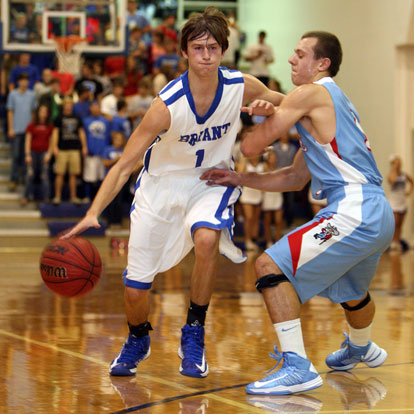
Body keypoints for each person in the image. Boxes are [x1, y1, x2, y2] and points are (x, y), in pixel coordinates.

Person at [62, 7, 283, 379]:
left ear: (224, 50)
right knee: (135, 290)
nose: (206, 55)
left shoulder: (241, 85)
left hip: (209, 180)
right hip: (160, 186)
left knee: (207, 240)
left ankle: (194, 332)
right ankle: (137, 338)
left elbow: (289, 103)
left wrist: (270, 108)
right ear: (184, 52)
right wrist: (93, 211)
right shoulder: (164, 107)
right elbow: (124, 164)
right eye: (198, 48)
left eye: (213, 47)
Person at [201, 31, 394, 395]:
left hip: (354, 209)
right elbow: (294, 177)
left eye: (299, 53)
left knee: (269, 266)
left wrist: (266, 119)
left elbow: (252, 145)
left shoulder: (311, 93)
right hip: (376, 211)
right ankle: (361, 346)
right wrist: (241, 177)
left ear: (321, 64)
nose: (291, 59)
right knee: (352, 291)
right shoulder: (331, 103)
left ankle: (296, 367)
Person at [51, 97, 87, 204]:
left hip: (74, 148)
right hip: (62, 148)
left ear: (72, 105)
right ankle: (57, 196)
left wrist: (84, 146)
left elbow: (81, 132)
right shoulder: (59, 117)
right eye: (66, 104)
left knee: (73, 174)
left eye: (70, 104)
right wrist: (54, 147)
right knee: (59, 173)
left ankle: (73, 196)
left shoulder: (77, 117)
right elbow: (55, 133)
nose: (68, 106)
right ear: (63, 105)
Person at [7, 72, 37, 192]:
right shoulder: (13, 94)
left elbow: (33, 112)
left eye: (26, 80)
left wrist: (33, 128)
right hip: (17, 129)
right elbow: (10, 111)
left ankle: (25, 179)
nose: (24, 82)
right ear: (18, 82)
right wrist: (10, 128)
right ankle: (13, 179)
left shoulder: (32, 95)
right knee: (15, 155)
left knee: (27, 156)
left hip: (28, 131)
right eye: (22, 80)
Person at [21, 104, 53, 205]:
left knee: (44, 175)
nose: (43, 113)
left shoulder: (49, 126)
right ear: (38, 113)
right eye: (41, 111)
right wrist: (27, 154)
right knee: (30, 175)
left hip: (44, 153)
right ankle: (26, 196)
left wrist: (49, 154)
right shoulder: (32, 125)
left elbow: (52, 141)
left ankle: (46, 197)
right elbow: (28, 140)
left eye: (45, 111)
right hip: (33, 152)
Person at [387, 155, 413, 251]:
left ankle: (397, 242)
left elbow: (411, 182)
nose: (398, 165)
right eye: (396, 163)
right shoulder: (390, 175)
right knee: (395, 223)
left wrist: (409, 191)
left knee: (400, 224)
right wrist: (394, 170)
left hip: (402, 202)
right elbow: (392, 181)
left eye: (399, 163)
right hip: (394, 203)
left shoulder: (404, 175)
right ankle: (392, 242)